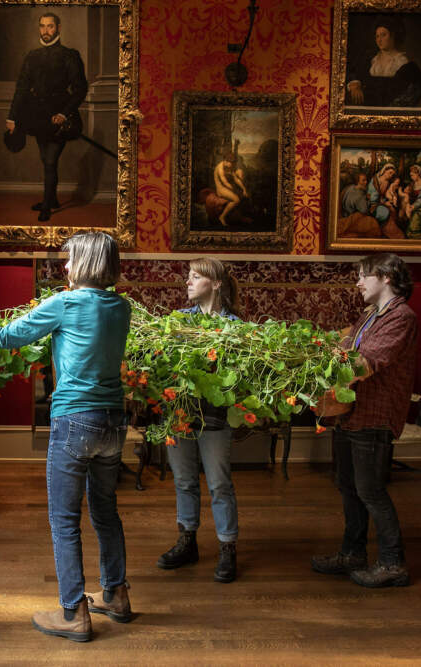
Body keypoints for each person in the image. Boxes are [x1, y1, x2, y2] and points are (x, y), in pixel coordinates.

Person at [0, 232, 131, 642]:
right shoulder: (122, 307)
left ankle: (73, 612)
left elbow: (7, 338)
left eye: (71, 260)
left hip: (75, 421)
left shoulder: (67, 303)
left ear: (87, 263)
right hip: (115, 422)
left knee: (64, 520)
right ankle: (116, 595)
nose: (65, 267)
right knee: (105, 511)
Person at [312, 253, 417, 588]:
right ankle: (352, 553)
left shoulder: (401, 317)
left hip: (375, 414)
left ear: (386, 276)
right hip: (349, 413)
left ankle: (392, 564)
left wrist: (321, 368)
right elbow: (345, 345)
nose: (358, 282)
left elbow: (367, 361)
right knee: (348, 487)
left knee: (370, 490)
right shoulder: (370, 314)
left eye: (363, 275)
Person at [157, 258, 242, 583]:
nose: (188, 283)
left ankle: (227, 548)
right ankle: (187, 540)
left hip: (216, 416)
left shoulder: (234, 326)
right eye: (188, 277)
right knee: (184, 481)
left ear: (216, 283)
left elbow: (236, 377)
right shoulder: (177, 321)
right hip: (179, 413)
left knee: (219, 484)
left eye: (196, 277)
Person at [6, 12, 88, 222]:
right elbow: (21, 88)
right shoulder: (32, 56)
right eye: (42, 26)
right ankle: (52, 200)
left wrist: (63, 113)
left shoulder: (70, 55)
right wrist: (12, 117)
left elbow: (80, 89)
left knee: (50, 160)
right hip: (38, 117)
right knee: (46, 160)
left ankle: (47, 206)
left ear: (58, 28)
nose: (46, 31)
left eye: (50, 26)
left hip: (61, 118)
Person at [346, 16, 421, 109]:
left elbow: (417, 90)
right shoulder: (371, 60)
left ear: (393, 36)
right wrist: (355, 84)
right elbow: (353, 73)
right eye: (377, 36)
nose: (379, 40)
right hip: (366, 110)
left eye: (383, 35)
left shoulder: (404, 63)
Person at [212, 140, 249, 226]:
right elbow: (224, 182)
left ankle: (240, 216)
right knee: (236, 199)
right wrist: (234, 189)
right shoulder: (220, 168)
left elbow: (236, 179)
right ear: (225, 160)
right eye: (229, 162)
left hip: (227, 187)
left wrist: (244, 189)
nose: (231, 165)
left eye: (232, 163)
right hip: (221, 189)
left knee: (244, 194)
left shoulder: (229, 167)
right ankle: (222, 217)